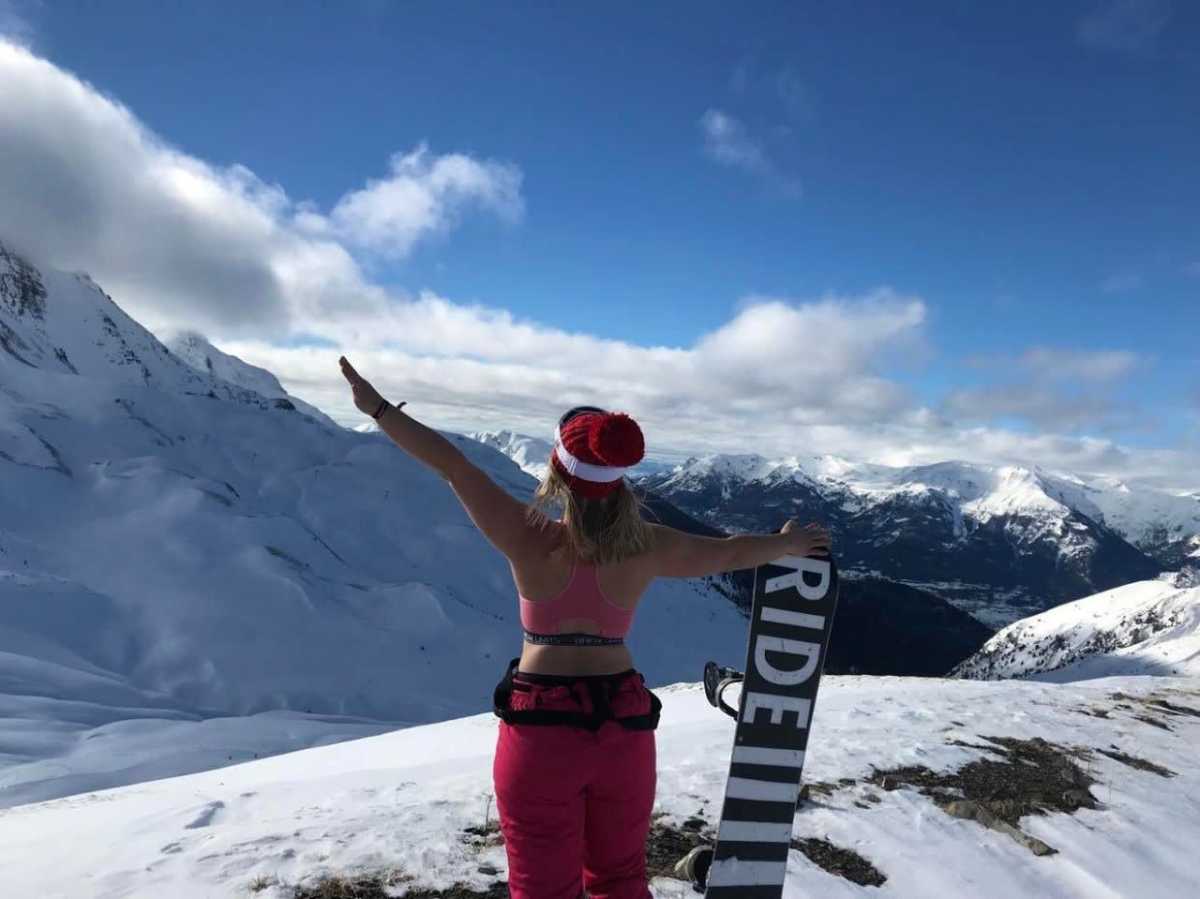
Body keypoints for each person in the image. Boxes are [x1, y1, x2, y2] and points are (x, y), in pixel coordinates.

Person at [338, 356, 833, 899]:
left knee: (543, 888)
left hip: (540, 731)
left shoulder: (528, 536)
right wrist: (787, 543)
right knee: (619, 880)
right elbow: (731, 552)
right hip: (623, 727)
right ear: (618, 481)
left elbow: (453, 465)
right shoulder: (648, 545)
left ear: (556, 472)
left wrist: (378, 409)